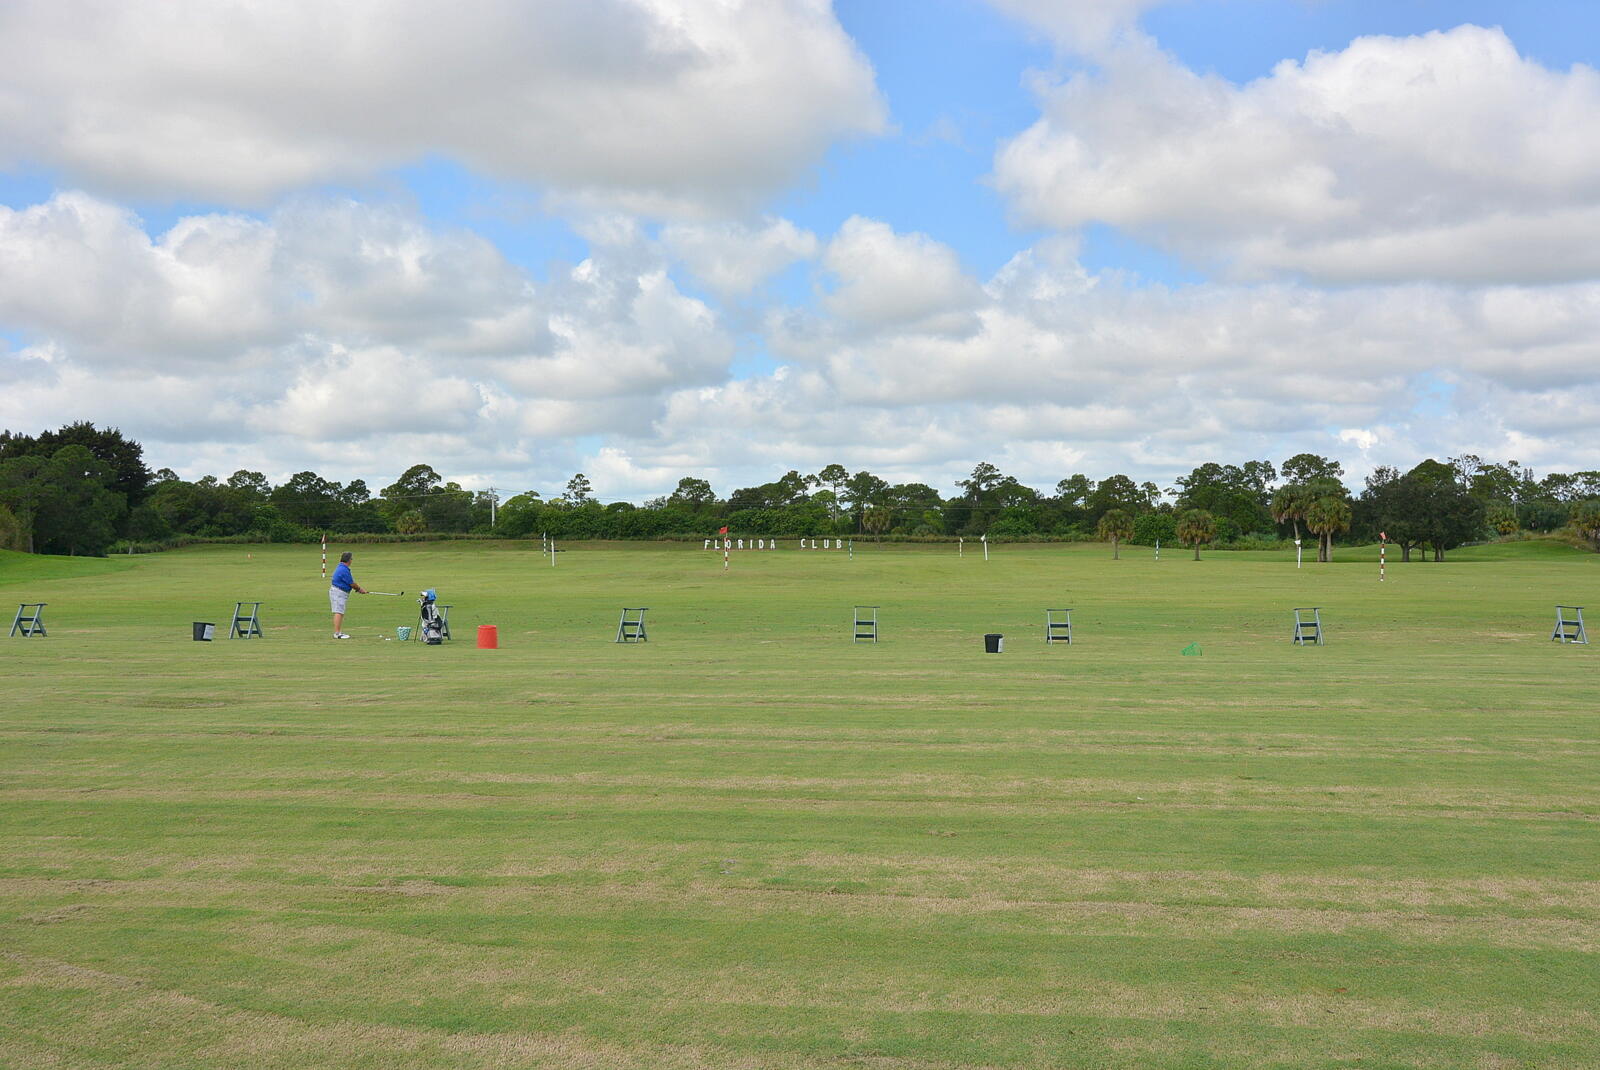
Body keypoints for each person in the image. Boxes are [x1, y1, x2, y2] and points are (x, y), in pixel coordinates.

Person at [329, 551, 368, 638]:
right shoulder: (343, 569)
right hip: (338, 592)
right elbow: (351, 583)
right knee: (338, 612)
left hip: (339, 592)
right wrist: (359, 589)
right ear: (349, 560)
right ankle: (337, 633)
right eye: (351, 559)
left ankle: (338, 632)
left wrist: (358, 589)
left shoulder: (342, 567)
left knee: (340, 612)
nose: (351, 560)